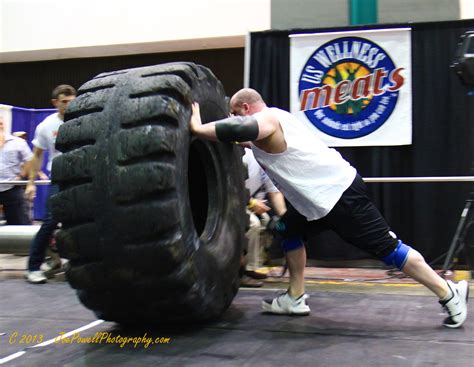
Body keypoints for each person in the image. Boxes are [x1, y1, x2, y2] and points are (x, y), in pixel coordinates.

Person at [189, 88, 469, 328]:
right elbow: (240, 137)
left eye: (235, 112)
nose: (235, 118)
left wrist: (199, 128)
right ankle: (295, 298)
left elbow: (242, 129)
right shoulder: (275, 120)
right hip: (315, 204)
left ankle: (448, 293)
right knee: (287, 228)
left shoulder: (267, 119)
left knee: (389, 250)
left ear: (245, 108)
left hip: (340, 196)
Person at [24, 84, 76, 284]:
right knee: (50, 221)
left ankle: (59, 261)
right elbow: (37, 157)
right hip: (60, 178)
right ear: (55, 103)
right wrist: (31, 183)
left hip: (82, 177)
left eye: (72, 101)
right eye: (64, 102)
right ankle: (33, 267)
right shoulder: (46, 126)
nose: (68, 105)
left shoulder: (84, 120)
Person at [240, 148, 286, 287]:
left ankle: (252, 267)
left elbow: (274, 192)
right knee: (252, 224)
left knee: (268, 222)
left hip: (253, 204)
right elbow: (232, 186)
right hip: (233, 201)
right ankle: (240, 272)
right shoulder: (243, 155)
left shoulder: (265, 160)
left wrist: (284, 217)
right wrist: (251, 203)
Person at [0, 117, 33, 225]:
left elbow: (29, 160)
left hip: (12, 188)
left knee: (20, 224)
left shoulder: (18, 142)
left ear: (2, 124)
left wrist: (21, 176)